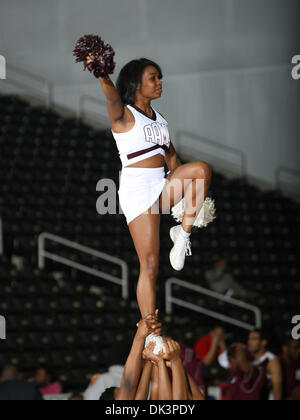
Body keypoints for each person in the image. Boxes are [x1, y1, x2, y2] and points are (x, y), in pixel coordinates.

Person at [87, 54, 212, 319]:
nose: (160, 82)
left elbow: (173, 159)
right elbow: (111, 98)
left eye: (160, 77)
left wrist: (186, 198)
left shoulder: (160, 119)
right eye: (153, 78)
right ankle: (150, 330)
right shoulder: (123, 114)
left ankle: (182, 234)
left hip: (162, 182)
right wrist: (102, 74)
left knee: (200, 170)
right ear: (136, 83)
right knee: (150, 265)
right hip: (137, 189)